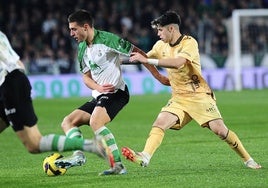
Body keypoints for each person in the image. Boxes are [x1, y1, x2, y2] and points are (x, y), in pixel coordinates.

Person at [122, 10, 261, 170]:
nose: (158, 34)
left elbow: (178, 63)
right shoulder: (160, 46)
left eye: (160, 30)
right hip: (179, 98)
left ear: (171, 29)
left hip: (199, 96)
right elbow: (139, 58)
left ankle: (248, 160)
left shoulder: (189, 43)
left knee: (221, 131)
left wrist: (147, 60)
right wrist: (117, 61)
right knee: (160, 122)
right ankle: (145, 156)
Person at [57, 9, 169, 176]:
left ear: (85, 27)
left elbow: (137, 53)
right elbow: (85, 77)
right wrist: (98, 88)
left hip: (117, 93)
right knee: (68, 122)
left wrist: (158, 76)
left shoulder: (107, 40)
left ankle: (118, 166)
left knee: (96, 122)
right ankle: (78, 156)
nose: (71, 33)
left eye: (74, 29)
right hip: (100, 94)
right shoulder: (81, 48)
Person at [0, 30, 112, 170]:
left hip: (9, 84)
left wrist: (14, 87)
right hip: (12, 81)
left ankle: (91, 145)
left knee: (33, 144)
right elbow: (19, 63)